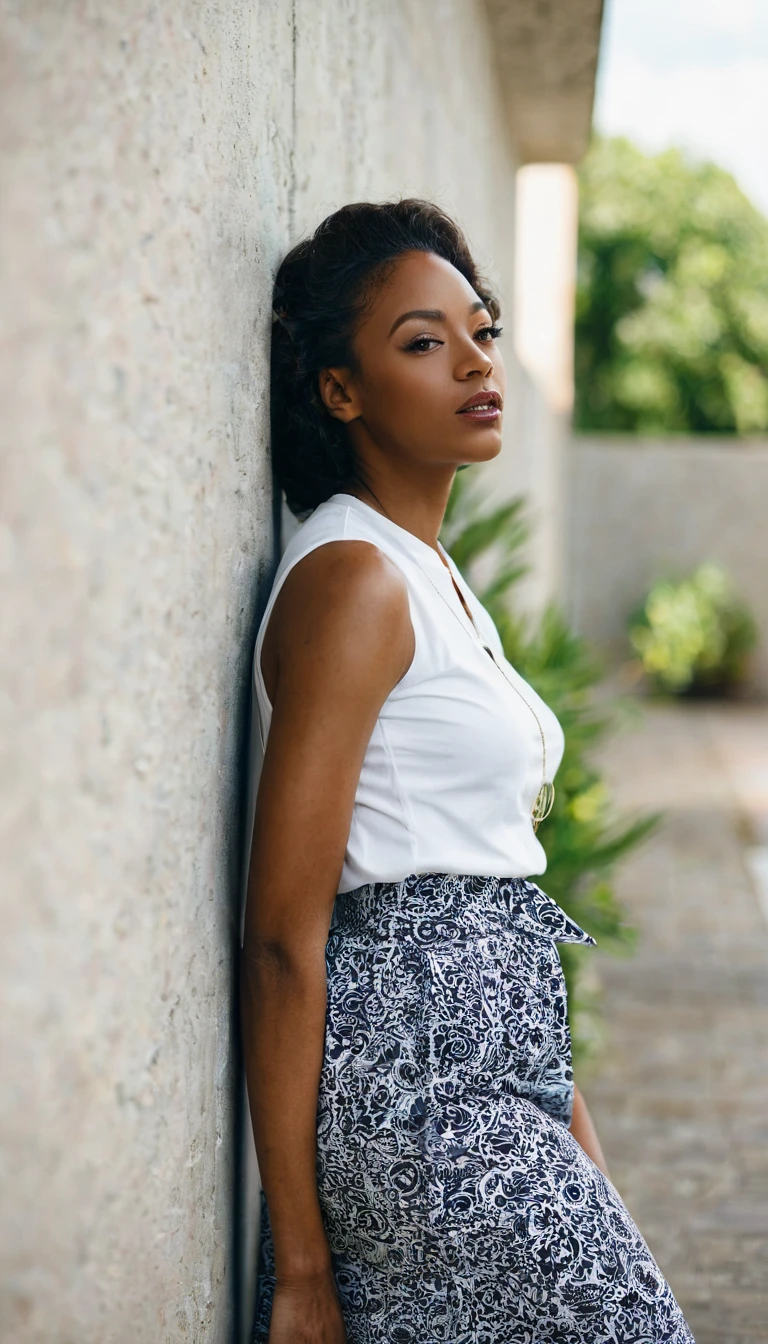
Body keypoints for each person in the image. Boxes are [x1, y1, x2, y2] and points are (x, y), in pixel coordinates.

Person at [240, 198, 695, 1344]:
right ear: (340, 390)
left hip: (507, 1083)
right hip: (423, 1109)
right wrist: (299, 1271)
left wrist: (576, 1144)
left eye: (482, 330)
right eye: (422, 341)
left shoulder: (431, 577)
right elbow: (286, 937)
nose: (475, 360)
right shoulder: (355, 582)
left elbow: (494, 886)